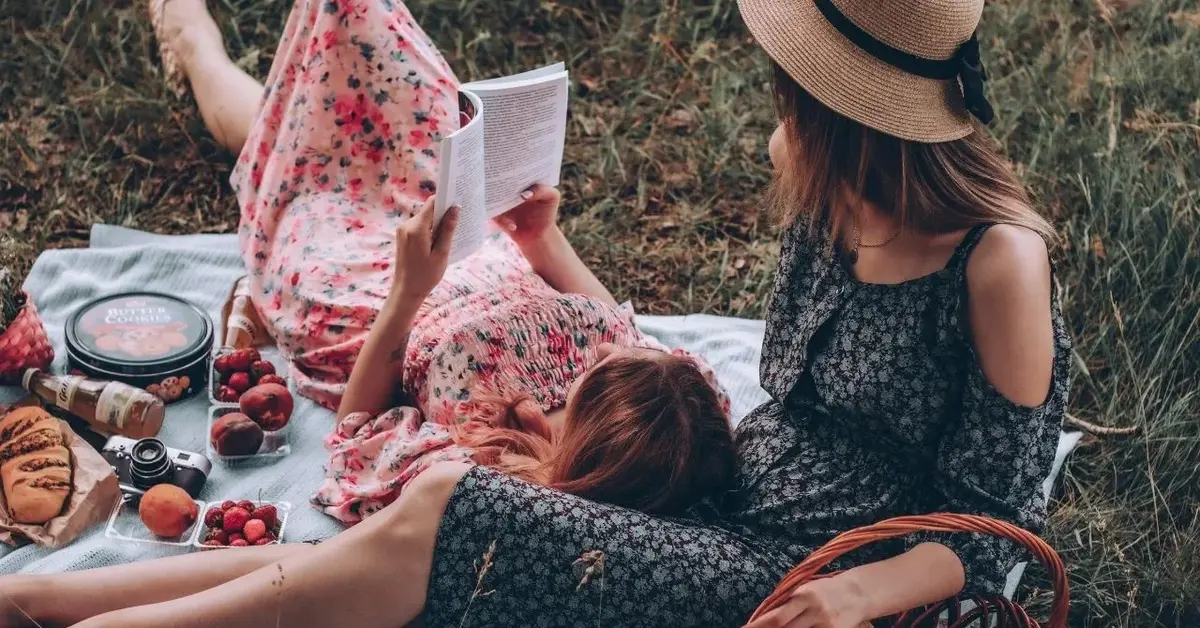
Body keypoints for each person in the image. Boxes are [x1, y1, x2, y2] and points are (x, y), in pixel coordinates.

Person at [0, 0, 1070, 626]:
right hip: (717, 489)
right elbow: (707, 378)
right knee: (419, 529)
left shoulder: (996, 263)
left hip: (797, 572)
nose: (774, 105)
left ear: (844, 109)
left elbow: (998, 521)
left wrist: (854, 594)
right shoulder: (829, 198)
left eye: (791, 89)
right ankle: (51, 603)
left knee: (456, 506)